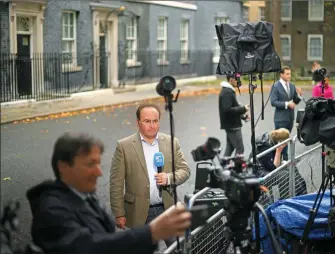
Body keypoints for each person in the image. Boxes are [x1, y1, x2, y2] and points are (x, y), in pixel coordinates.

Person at [26, 132, 192, 254]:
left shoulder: (84, 197)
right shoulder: (51, 211)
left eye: (98, 164)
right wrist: (151, 232)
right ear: (63, 166)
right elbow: (87, 247)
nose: (99, 172)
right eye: (90, 164)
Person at [109, 103, 190, 247]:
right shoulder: (124, 146)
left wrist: (168, 178)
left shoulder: (171, 142)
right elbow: (116, 182)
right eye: (147, 121)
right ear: (138, 122)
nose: (152, 125)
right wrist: (119, 213)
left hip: (167, 208)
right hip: (139, 212)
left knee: (179, 248)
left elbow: (185, 170)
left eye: (155, 121)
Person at [270, 66, 303, 160]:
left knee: (287, 139)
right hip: (280, 118)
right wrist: (287, 104)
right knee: (280, 141)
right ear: (281, 74)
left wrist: (299, 96)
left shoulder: (292, 86)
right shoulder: (276, 86)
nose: (289, 76)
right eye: (287, 74)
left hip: (290, 118)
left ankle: (284, 159)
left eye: (290, 74)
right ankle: (279, 160)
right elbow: (273, 102)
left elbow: (294, 102)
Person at [219, 74, 250, 157]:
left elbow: (231, 108)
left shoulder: (228, 91)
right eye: (237, 79)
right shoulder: (227, 92)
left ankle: (224, 166)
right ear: (231, 79)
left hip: (231, 125)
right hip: (233, 127)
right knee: (240, 149)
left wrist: (243, 116)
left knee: (230, 147)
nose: (238, 81)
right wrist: (243, 109)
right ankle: (237, 169)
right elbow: (227, 110)